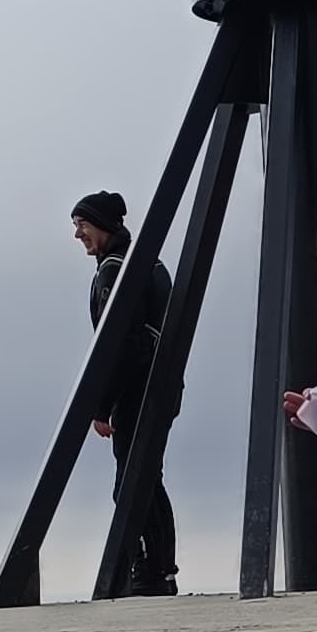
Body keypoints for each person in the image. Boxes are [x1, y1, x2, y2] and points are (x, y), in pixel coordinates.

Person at [72, 191, 177, 596]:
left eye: (83, 224)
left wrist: (103, 404)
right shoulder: (149, 263)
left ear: (102, 226)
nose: (78, 233)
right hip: (160, 388)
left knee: (133, 483)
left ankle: (147, 572)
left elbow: (120, 344)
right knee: (147, 478)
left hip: (138, 390)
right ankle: (157, 570)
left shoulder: (115, 272)